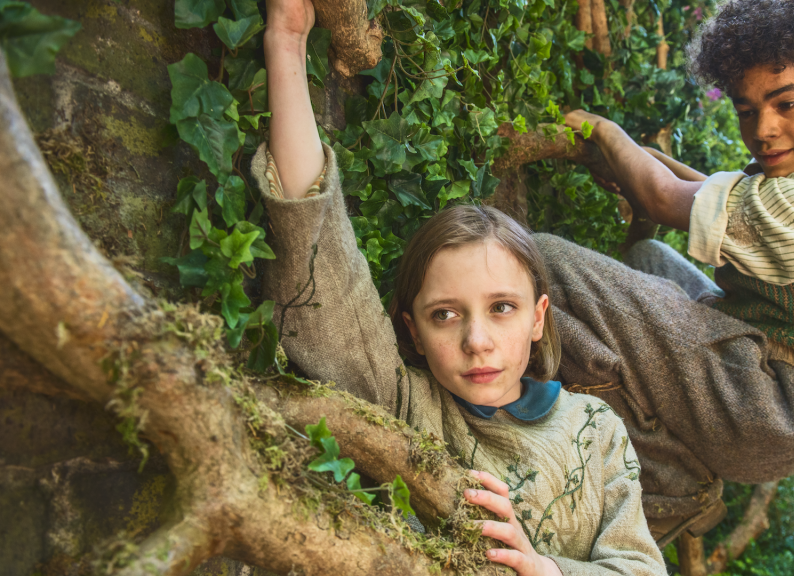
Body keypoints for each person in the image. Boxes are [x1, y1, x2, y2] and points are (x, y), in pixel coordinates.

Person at [257, 1, 666, 574]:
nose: (477, 340)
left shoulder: (595, 430)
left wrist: (542, 568)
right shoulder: (405, 405)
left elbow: (641, 568)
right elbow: (317, 250)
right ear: (413, 331)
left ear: (538, 316)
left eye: (502, 307)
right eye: (445, 315)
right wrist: (287, 41)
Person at [539, 0, 794, 544]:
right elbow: (716, 194)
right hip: (767, 371)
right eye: (746, 111)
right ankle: (667, 450)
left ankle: (673, 485)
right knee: (647, 261)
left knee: (548, 261)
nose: (764, 129)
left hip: (776, 406)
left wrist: (603, 132)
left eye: (786, 104)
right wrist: (639, 159)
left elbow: (670, 198)